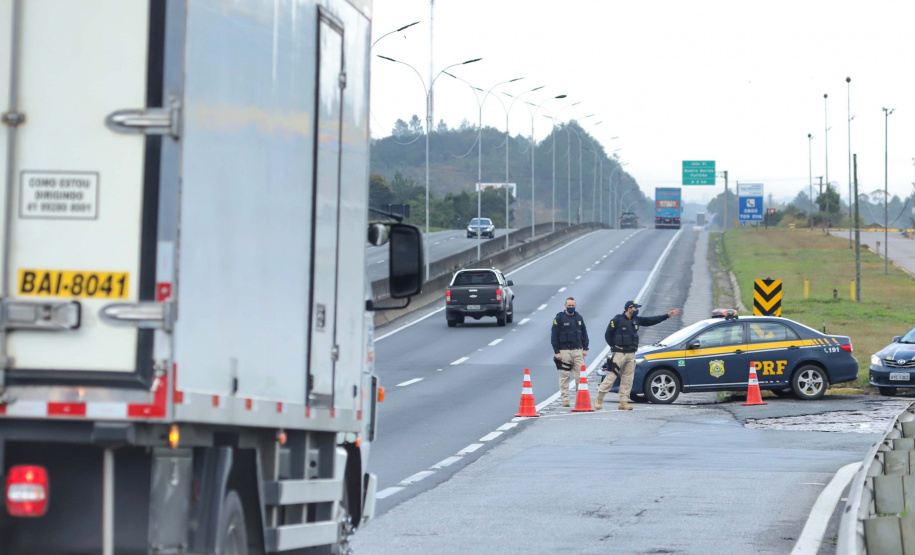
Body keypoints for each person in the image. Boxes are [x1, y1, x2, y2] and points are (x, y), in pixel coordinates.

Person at [596, 300, 680, 410]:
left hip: (631, 354)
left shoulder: (636, 320)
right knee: (611, 376)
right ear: (629, 308)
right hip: (619, 353)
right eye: (635, 308)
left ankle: (623, 402)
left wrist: (667, 315)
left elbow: (652, 320)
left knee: (628, 378)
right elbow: (608, 334)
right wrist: (614, 347)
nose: (637, 310)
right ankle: (599, 398)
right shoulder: (617, 320)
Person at [551, 297, 589, 407]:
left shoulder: (579, 318)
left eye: (573, 305)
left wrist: (585, 348)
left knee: (581, 376)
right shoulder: (559, 318)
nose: (571, 307)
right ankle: (565, 400)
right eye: (569, 305)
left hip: (577, 351)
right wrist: (556, 352)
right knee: (564, 376)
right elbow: (554, 336)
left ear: (575, 306)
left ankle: (581, 398)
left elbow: (584, 334)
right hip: (564, 352)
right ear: (565, 306)